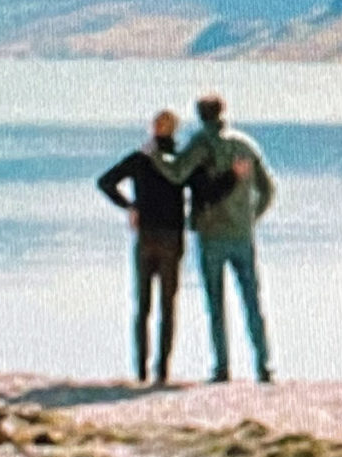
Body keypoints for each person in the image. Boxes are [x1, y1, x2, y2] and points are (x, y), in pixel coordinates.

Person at [155, 93, 277, 383]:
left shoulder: (201, 143)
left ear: (200, 115)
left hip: (212, 235)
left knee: (216, 303)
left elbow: (176, 172)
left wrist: (156, 153)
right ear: (223, 112)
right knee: (252, 301)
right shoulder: (245, 145)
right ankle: (264, 366)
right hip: (242, 235)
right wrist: (251, 217)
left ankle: (222, 368)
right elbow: (269, 190)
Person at [95, 109, 190, 384]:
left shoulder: (140, 158)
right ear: (174, 131)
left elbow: (105, 182)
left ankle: (140, 370)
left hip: (146, 237)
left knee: (143, 306)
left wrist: (130, 206)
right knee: (168, 306)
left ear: (153, 128)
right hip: (171, 237)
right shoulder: (182, 162)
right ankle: (163, 371)